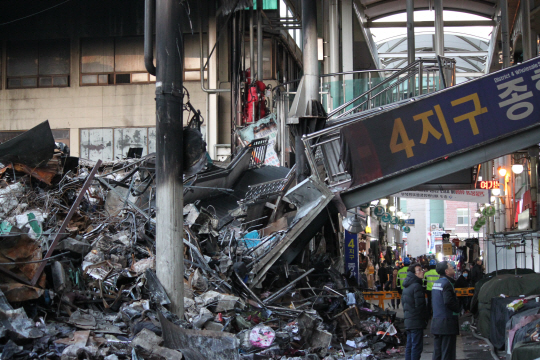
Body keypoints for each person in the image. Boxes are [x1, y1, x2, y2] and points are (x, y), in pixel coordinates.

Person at [431, 261, 461, 360]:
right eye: (450, 266)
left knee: (438, 353)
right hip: (447, 323)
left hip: (437, 322)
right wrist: (458, 308)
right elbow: (448, 301)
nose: (453, 267)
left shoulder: (436, 283)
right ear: (446, 271)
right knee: (447, 353)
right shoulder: (447, 284)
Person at [402, 263, 428, 360]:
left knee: (409, 346)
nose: (422, 272)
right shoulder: (417, 286)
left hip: (409, 320)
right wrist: (424, 319)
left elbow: (404, 303)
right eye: (419, 270)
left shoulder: (406, 285)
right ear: (414, 274)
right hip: (416, 321)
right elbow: (420, 306)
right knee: (416, 347)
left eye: (422, 270)